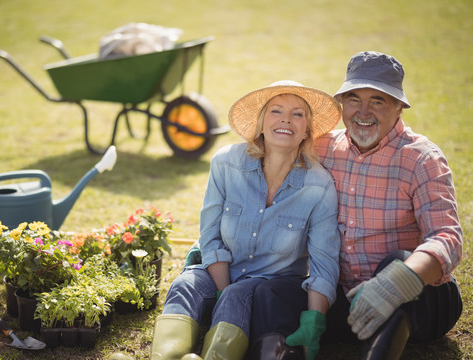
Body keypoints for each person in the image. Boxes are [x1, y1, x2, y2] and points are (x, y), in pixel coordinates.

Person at [249, 51, 463, 360]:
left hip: (421, 300)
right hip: (344, 298)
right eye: (353, 99)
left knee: (396, 262)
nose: (363, 112)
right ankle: (278, 355)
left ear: (399, 106)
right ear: (341, 103)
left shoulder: (421, 158)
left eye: (377, 100)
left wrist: (396, 283)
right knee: (270, 293)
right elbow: (263, 181)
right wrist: (214, 238)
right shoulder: (321, 148)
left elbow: (448, 239)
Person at [142, 80, 342, 360]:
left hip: (269, 284)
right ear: (261, 123)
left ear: (306, 130)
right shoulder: (226, 163)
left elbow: (324, 263)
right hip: (218, 271)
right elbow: (210, 236)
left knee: (238, 295)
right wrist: (222, 289)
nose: (286, 119)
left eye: (298, 114)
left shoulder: (319, 185)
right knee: (184, 285)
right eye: (276, 111)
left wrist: (313, 322)